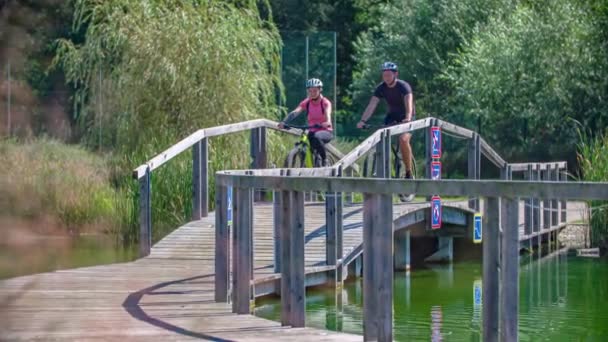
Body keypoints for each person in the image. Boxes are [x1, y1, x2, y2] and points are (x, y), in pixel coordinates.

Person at [356, 61, 416, 180]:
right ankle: (381, 168)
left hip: (407, 116)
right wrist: (363, 120)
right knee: (380, 137)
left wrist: (408, 117)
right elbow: (372, 105)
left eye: (389, 74)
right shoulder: (381, 88)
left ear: (395, 74)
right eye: (384, 75)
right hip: (392, 116)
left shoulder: (403, 86)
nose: (386, 77)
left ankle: (409, 172)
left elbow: (408, 102)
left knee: (403, 140)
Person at [278, 78, 333, 166]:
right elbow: (295, 112)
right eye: (310, 91)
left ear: (320, 90)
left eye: (315, 91)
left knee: (317, 137)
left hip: (325, 131)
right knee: (308, 140)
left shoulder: (325, 102)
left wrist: (327, 121)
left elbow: (328, 113)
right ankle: (308, 163)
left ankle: (325, 159)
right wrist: (284, 122)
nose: (312, 93)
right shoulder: (307, 102)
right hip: (312, 130)